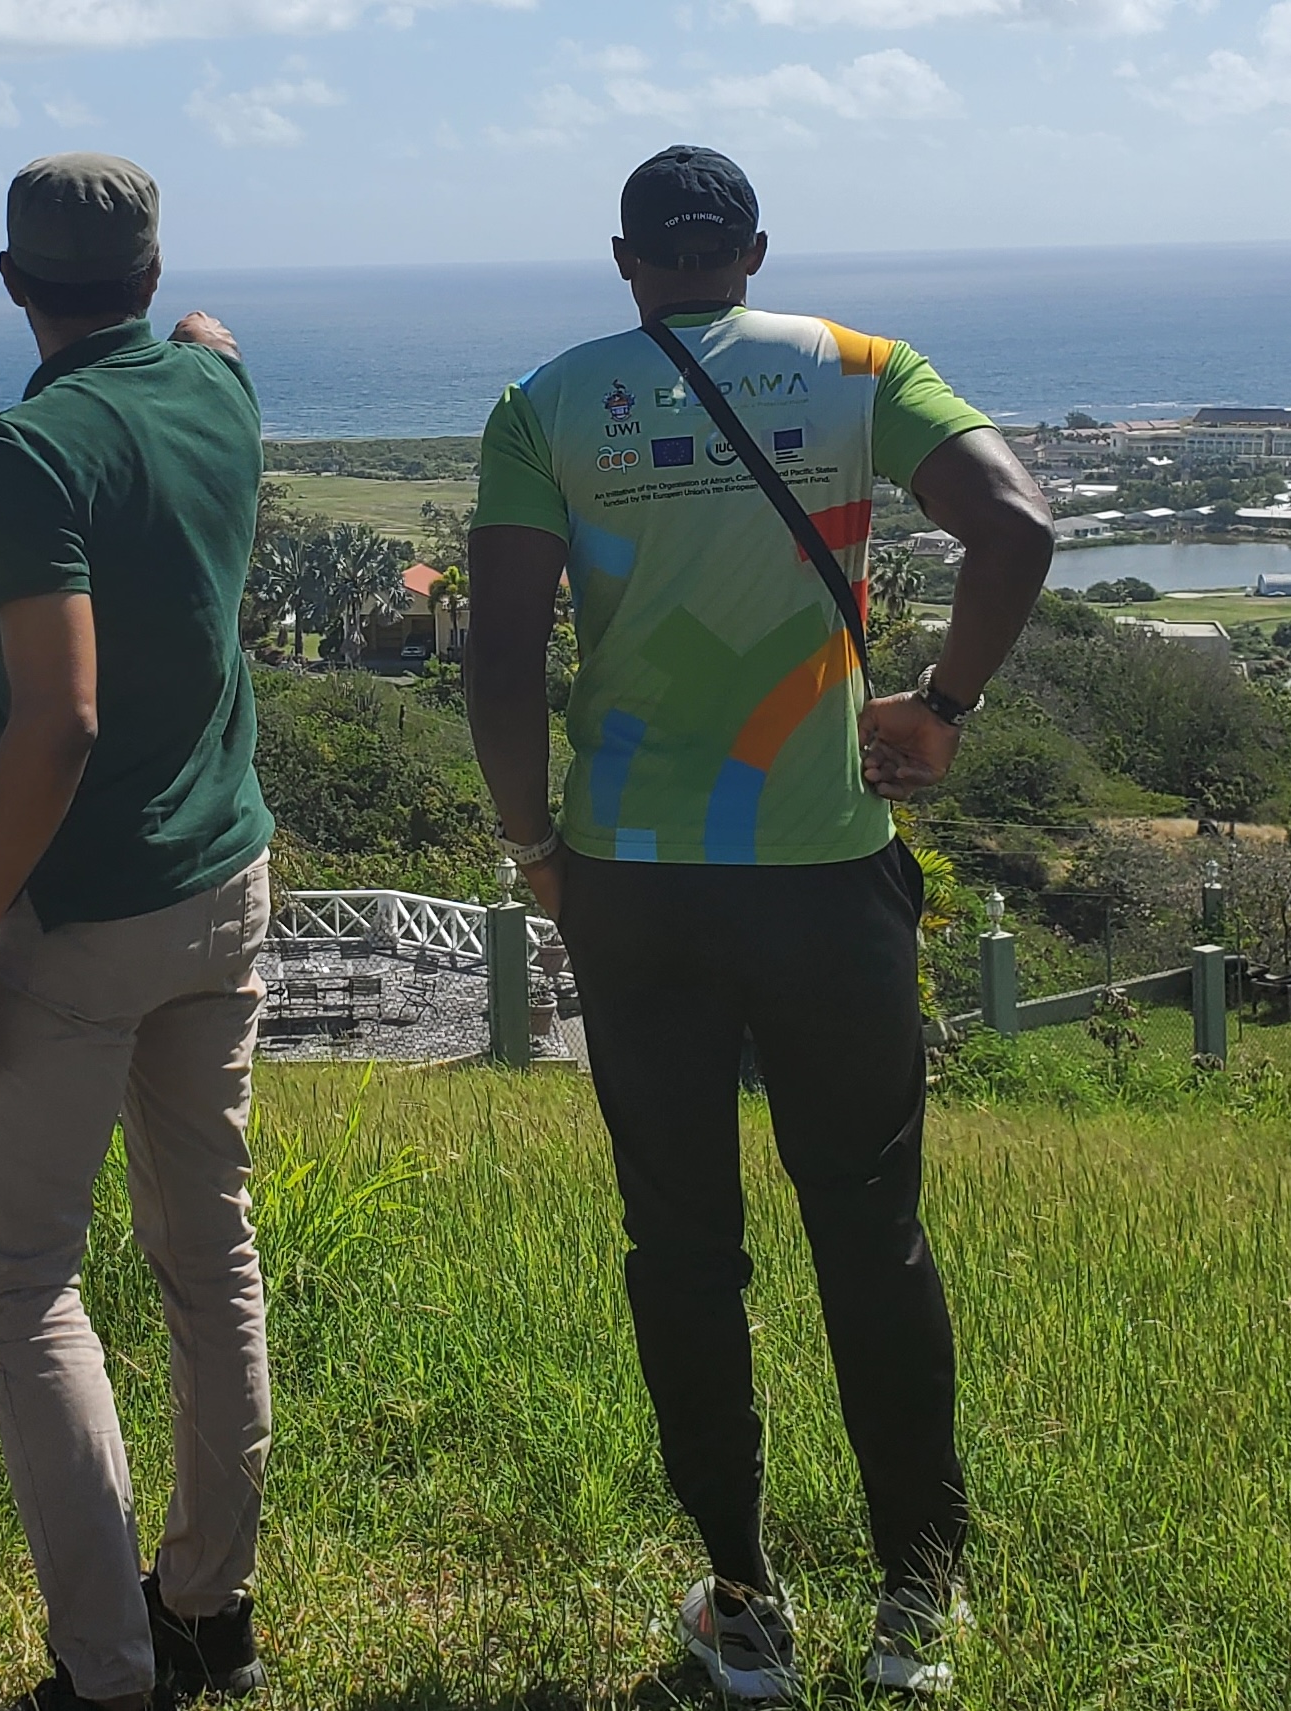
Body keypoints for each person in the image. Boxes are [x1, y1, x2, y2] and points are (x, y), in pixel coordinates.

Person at [462, 145, 1052, 1701]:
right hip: (822, 870)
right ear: (756, 249)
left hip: (634, 884)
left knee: (681, 1244)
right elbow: (1018, 528)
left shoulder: (543, 403)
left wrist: (536, 848)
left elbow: (504, 662)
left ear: (624, 258)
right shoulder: (864, 370)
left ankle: (744, 1610)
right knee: (873, 1231)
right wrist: (939, 707)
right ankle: (918, 1604)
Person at [0, 153, 277, 1711]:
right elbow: (217, 339)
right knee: (210, 1258)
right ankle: (209, 1611)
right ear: (148, 271)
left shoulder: (29, 450)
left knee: (23, 1284)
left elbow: (51, 729)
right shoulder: (218, 399)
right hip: (226, 890)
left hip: (81, 917)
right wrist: (192, 326)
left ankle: (109, 1674)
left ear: (10, 282)